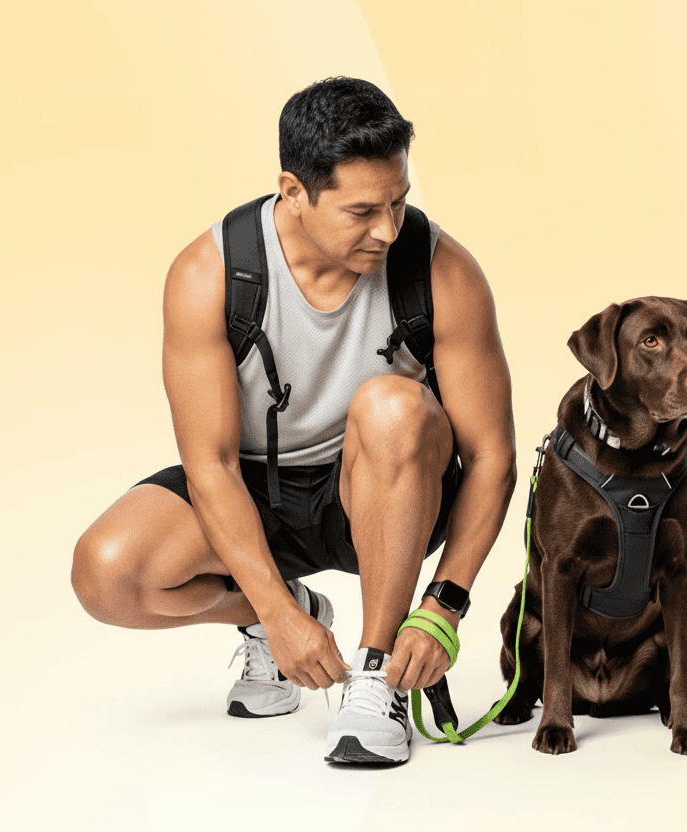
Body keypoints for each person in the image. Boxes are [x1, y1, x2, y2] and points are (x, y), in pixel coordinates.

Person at [70, 77, 517, 765]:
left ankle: (376, 674)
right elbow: (210, 465)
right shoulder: (210, 273)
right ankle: (279, 616)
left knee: (392, 404)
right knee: (107, 573)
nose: (388, 229)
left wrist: (444, 607)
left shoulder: (443, 271)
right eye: (363, 210)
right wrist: (276, 614)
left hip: (384, 490)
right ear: (294, 191)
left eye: (399, 202)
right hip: (256, 493)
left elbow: (491, 457)